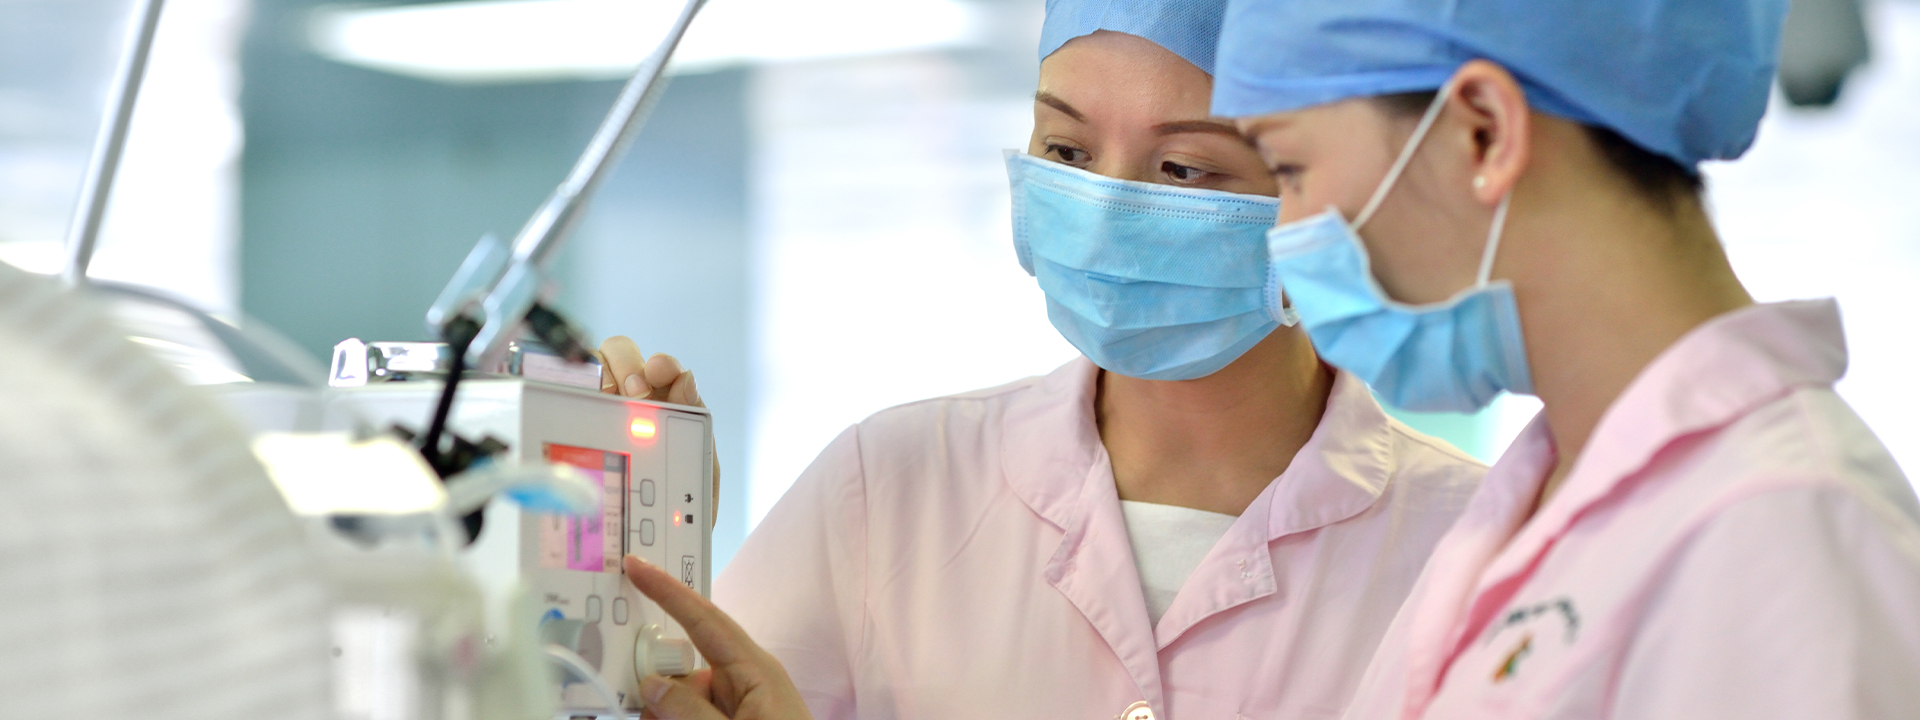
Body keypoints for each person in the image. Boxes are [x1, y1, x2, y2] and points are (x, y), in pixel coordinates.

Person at [602, 1, 1486, 717]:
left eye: (1183, 168)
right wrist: (625, 563)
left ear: (1326, 193)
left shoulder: (1475, 547)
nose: (1103, 208)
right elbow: (657, 696)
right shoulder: (887, 488)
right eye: (1066, 151)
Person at [1196, 0, 1920, 717]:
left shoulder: (1784, 533)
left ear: (1484, 130)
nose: (1286, 233)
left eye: (1290, 169)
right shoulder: (1552, 484)